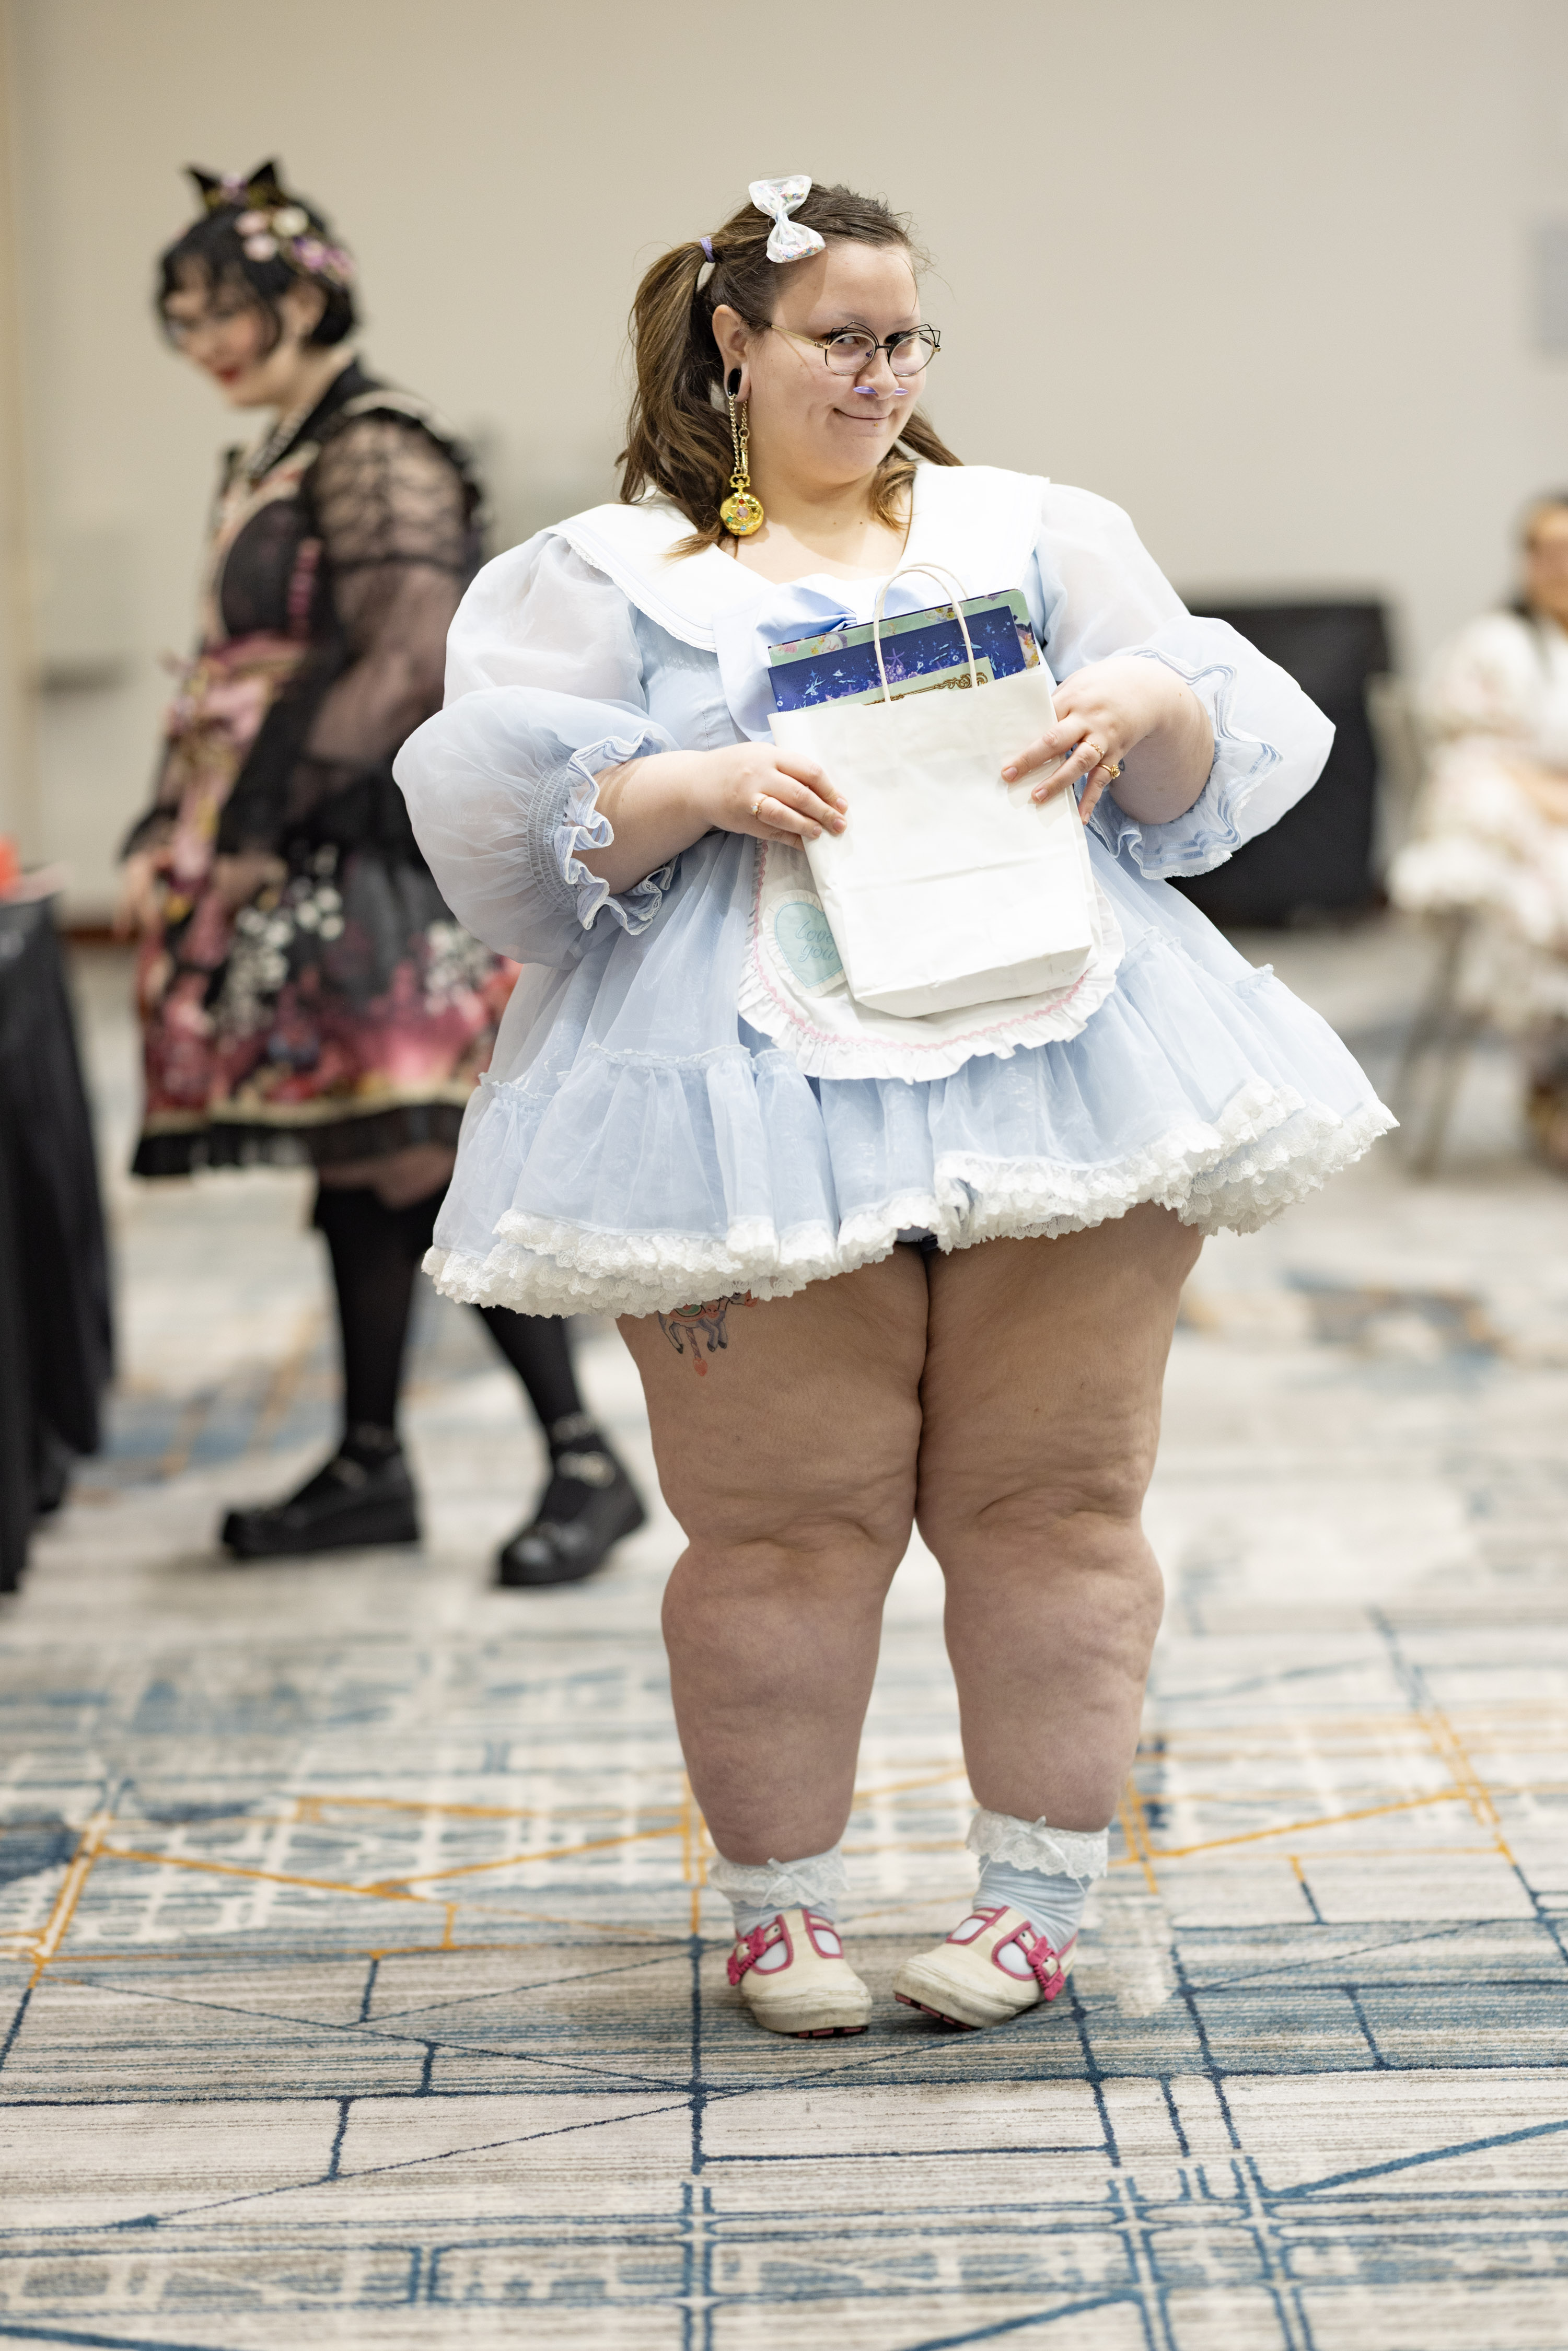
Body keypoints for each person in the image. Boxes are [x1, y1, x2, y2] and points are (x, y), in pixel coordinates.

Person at [396, 176, 1391, 2034]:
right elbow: (516, 852)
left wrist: (1131, 702)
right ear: (734, 342)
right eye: (840, 338)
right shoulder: (601, 575)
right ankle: (781, 1908)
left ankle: (1035, 1899)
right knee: (781, 1523)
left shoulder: (1035, 530)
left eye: (904, 338)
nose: (879, 374)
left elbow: (1193, 778)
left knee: (1057, 1500)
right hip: (737, 1075)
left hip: (1060, 1046)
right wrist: (693, 786)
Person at [119, 161, 643, 1584]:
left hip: (363, 848)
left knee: (417, 1148)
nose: (199, 341)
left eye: (220, 309)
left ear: (303, 299)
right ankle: (371, 1461)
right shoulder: (284, 450)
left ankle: (582, 1458)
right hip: (304, 838)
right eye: (181, 318)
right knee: (361, 1154)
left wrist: (252, 831)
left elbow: (406, 660)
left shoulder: (373, 445)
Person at [1390, 493, 1568, 1168]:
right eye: (1543, 550)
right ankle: (1553, 1082)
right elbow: (1470, 758)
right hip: (1515, 823)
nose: (1558, 565)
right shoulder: (1495, 645)